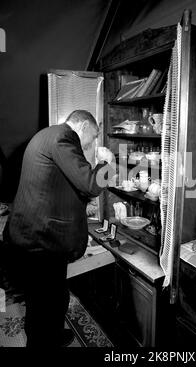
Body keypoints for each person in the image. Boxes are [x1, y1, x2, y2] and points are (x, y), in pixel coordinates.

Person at [2, 110, 113, 347]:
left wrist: (80, 206)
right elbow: (92, 184)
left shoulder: (46, 134)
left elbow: (54, 185)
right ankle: (43, 341)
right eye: (92, 137)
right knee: (45, 305)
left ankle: (52, 335)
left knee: (50, 298)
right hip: (41, 240)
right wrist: (107, 163)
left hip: (32, 234)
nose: (91, 144)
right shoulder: (64, 137)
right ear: (82, 126)